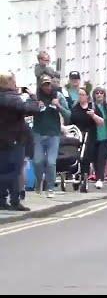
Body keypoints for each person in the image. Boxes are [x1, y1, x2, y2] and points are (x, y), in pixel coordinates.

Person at [0, 72, 40, 211]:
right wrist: (33, 97)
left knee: (3, 169)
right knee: (15, 171)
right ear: (9, 82)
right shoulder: (12, 98)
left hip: (3, 140)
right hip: (15, 139)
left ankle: (2, 200)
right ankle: (15, 201)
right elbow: (32, 109)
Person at [32, 75, 71, 197]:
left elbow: (68, 115)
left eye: (48, 84)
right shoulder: (36, 97)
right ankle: (39, 182)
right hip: (38, 133)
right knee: (38, 161)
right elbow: (26, 111)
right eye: (44, 85)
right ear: (40, 86)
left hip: (53, 134)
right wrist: (35, 106)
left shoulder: (58, 96)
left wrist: (58, 106)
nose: (47, 87)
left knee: (51, 162)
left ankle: (50, 188)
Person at [70, 88, 104, 193]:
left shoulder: (93, 108)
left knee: (85, 158)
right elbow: (71, 122)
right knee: (75, 156)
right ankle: (75, 175)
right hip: (77, 135)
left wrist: (93, 115)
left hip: (90, 135)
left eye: (82, 94)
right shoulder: (75, 108)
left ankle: (84, 178)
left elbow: (101, 123)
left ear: (87, 96)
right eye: (79, 94)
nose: (80, 97)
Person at [91, 87, 107, 190]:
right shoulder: (92, 107)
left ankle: (100, 179)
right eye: (97, 93)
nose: (99, 95)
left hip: (106, 137)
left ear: (104, 95)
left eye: (101, 93)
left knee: (101, 158)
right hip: (95, 136)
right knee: (95, 158)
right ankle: (97, 177)